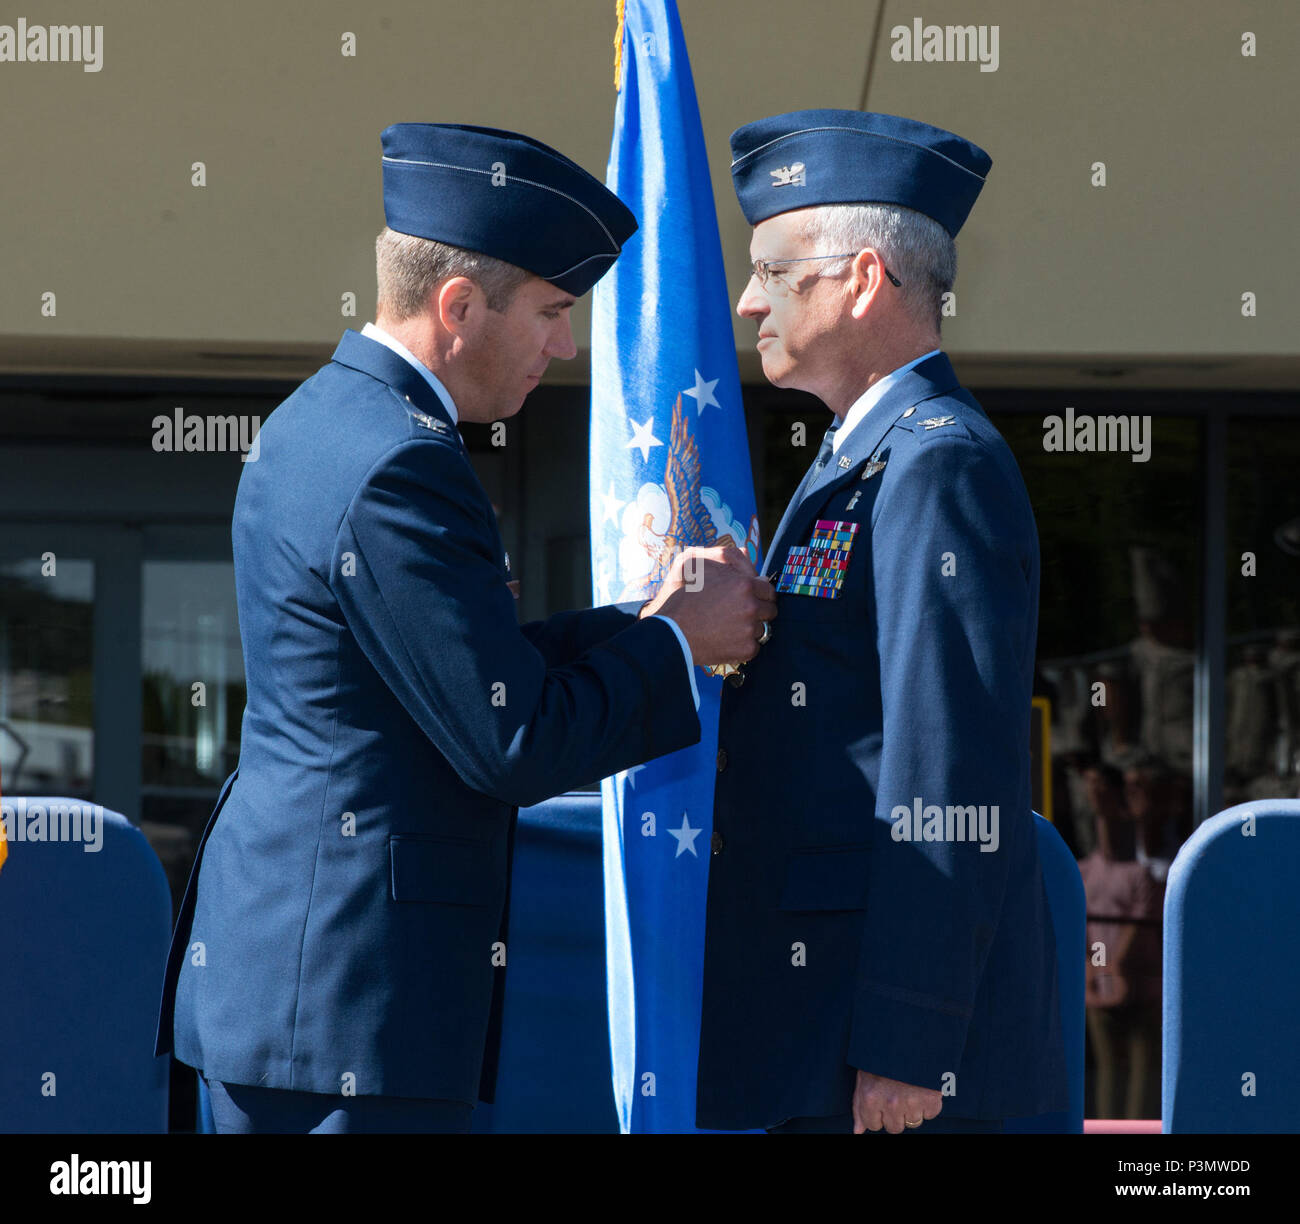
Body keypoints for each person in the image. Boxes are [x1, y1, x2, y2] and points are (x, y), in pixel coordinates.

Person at [153, 122, 775, 1134]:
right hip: (352, 1011)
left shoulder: (321, 420)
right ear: (457, 305)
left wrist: (649, 617)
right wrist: (674, 645)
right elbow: (510, 737)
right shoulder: (404, 463)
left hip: (299, 991)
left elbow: (450, 674)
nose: (564, 346)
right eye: (550, 311)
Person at [695, 110, 1067, 1134]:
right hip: (813, 1010)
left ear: (861, 280)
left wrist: (910, 1039)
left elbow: (948, 769)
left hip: (875, 1043)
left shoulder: (935, 462)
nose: (745, 298)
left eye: (774, 271)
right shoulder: (857, 455)